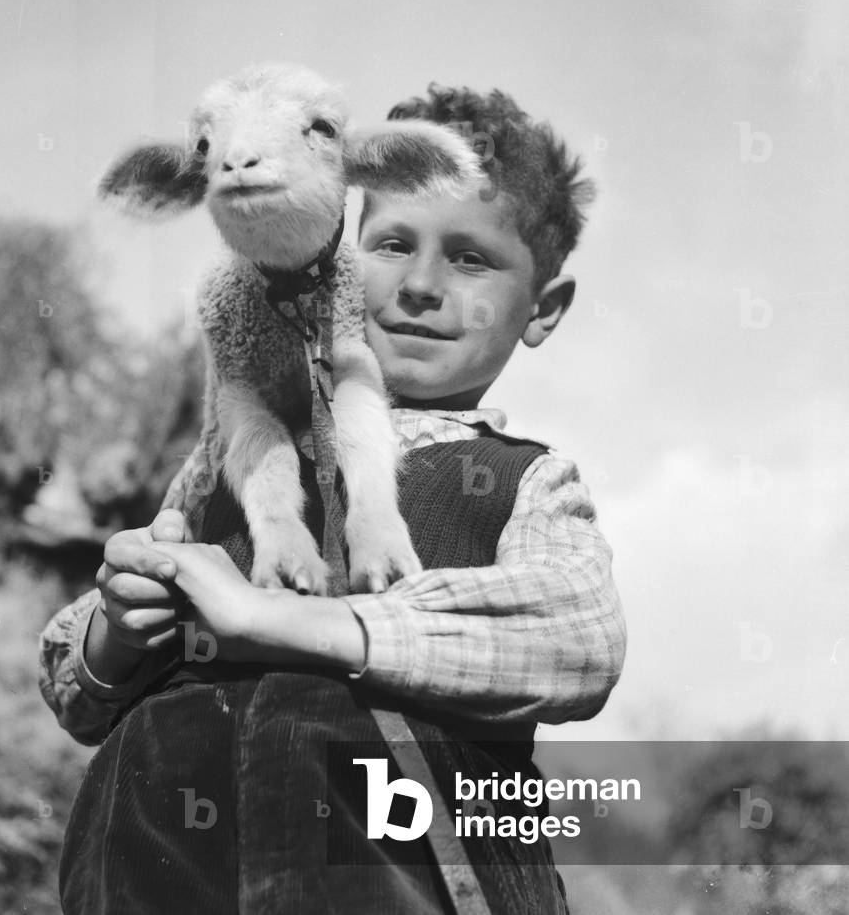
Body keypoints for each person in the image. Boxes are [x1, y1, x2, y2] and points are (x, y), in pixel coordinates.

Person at [39, 82, 627, 914]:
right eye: (392, 244)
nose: (420, 284)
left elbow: (577, 639)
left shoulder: (524, 479)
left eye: (470, 258)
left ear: (543, 308)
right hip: (160, 847)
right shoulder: (232, 454)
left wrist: (282, 622)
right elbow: (73, 682)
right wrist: (119, 625)